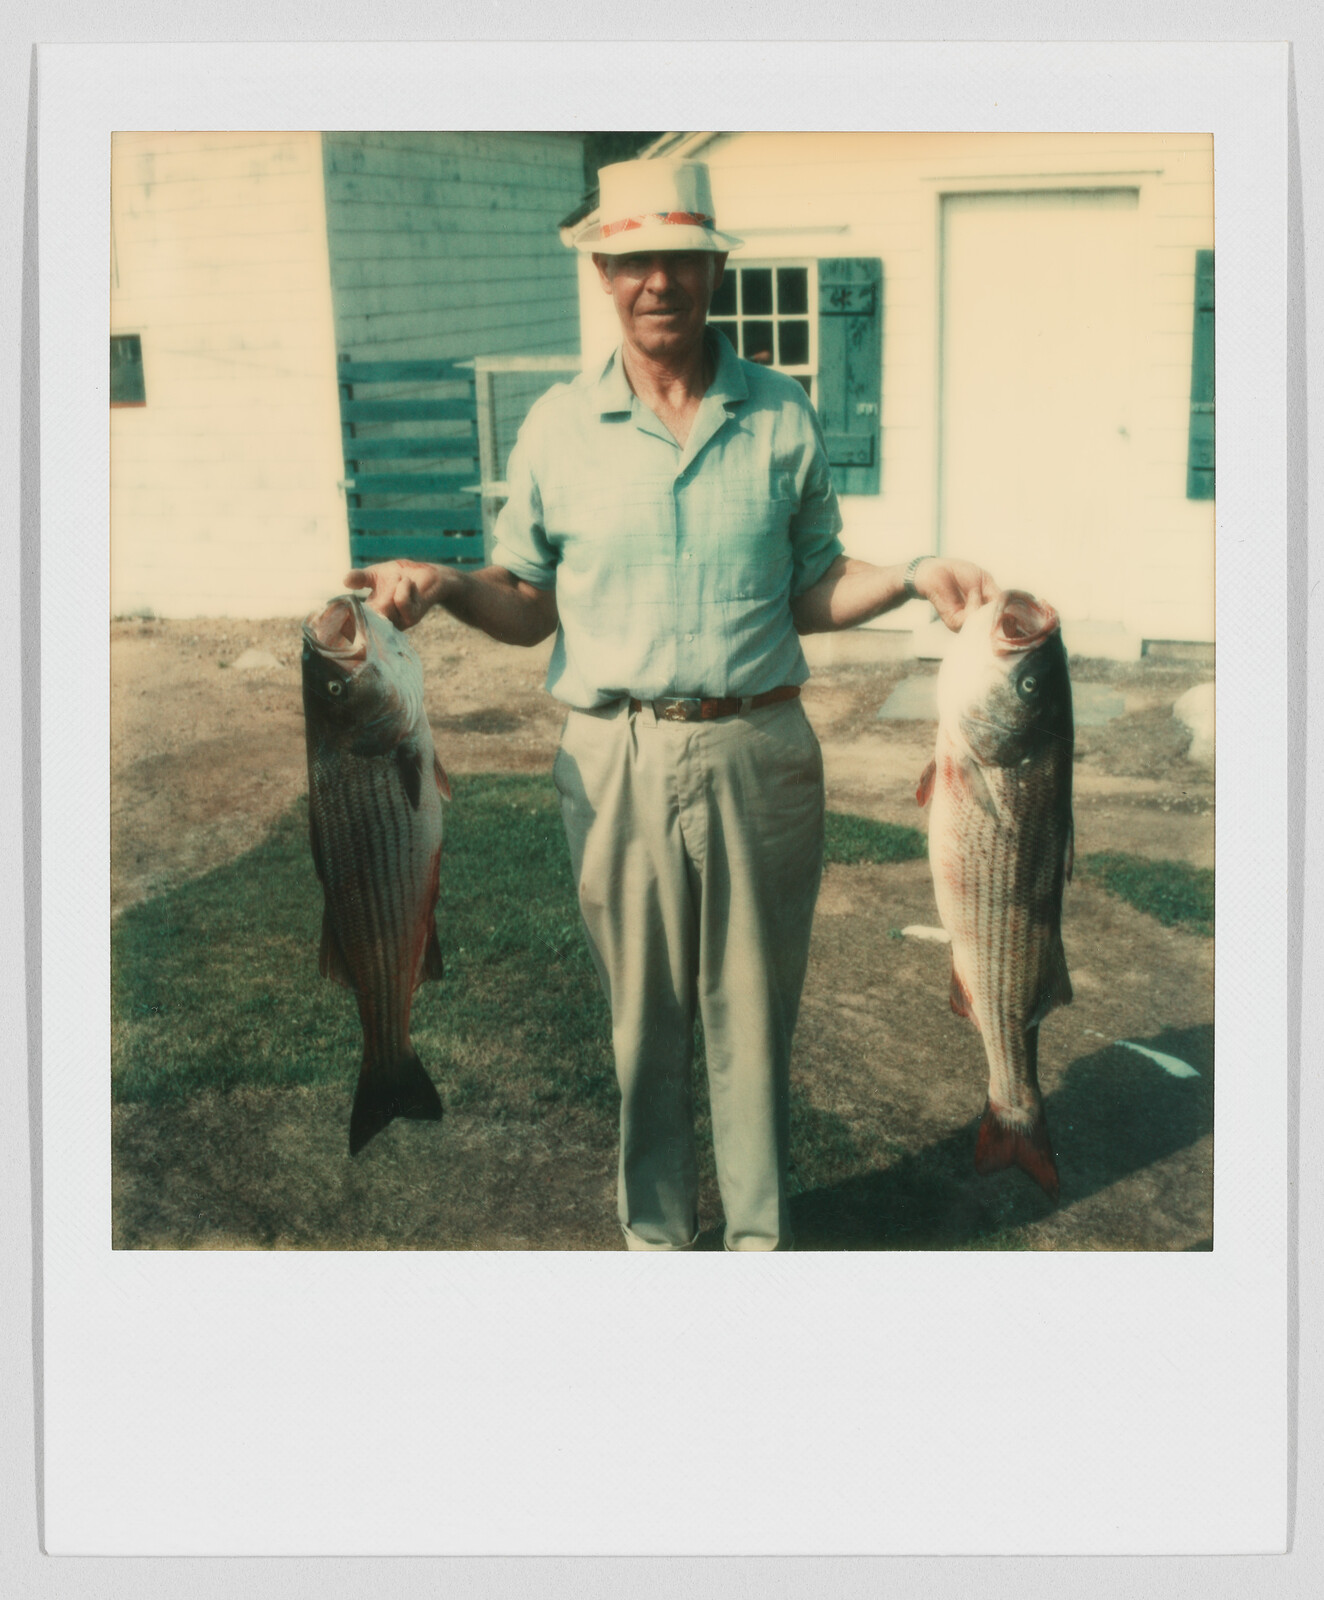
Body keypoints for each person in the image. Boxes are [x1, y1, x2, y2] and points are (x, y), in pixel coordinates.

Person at [348, 157, 997, 1251]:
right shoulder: (557, 426)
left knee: (753, 1014)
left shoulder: (780, 412)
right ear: (604, 271)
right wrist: (450, 585)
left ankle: (759, 1246)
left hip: (761, 750)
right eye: (634, 260)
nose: (659, 281)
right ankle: (655, 1242)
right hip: (616, 755)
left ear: (711, 270)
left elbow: (812, 585)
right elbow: (527, 603)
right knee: (641, 1021)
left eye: (680, 259)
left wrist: (910, 574)